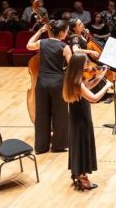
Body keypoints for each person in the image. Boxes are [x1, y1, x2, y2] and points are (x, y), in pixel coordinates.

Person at [62, 53, 114, 190]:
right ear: (79, 65)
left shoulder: (72, 78)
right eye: (85, 63)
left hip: (77, 118)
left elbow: (88, 87)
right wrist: (106, 86)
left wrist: (101, 77)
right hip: (81, 119)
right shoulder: (77, 83)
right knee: (82, 146)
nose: (88, 65)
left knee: (78, 145)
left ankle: (77, 172)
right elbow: (94, 98)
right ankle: (82, 177)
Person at [26, 19, 73, 153]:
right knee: (60, 114)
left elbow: (29, 45)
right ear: (62, 33)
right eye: (67, 31)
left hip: (42, 83)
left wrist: (39, 32)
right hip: (58, 83)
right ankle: (59, 145)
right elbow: (71, 66)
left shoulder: (42, 42)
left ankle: (41, 146)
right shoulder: (65, 47)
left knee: (41, 114)